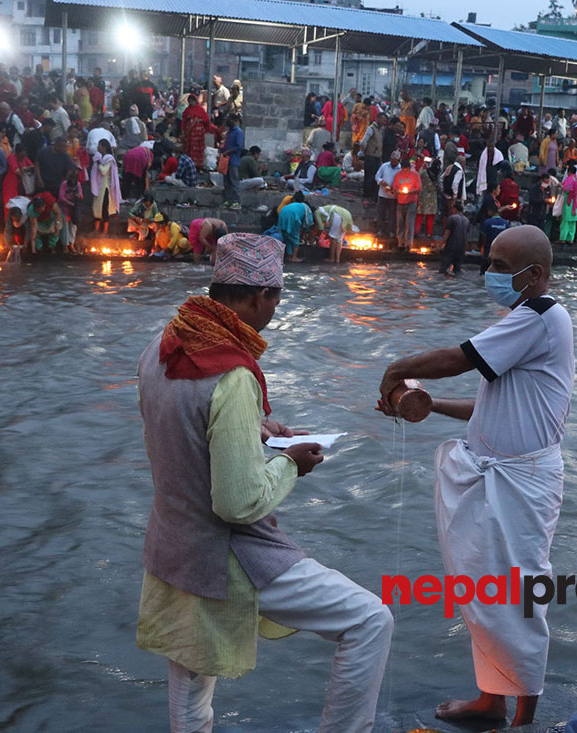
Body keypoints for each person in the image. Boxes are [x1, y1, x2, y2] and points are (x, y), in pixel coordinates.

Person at [136, 233, 392, 733]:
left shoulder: (164, 345)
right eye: (276, 297)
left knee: (190, 691)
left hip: (171, 541)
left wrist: (252, 430)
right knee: (370, 620)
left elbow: (180, 425)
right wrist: (292, 463)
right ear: (260, 297)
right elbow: (238, 503)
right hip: (226, 551)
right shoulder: (233, 376)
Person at [377, 225, 573, 728]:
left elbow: (458, 358)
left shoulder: (540, 316)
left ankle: (523, 716)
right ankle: (492, 698)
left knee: (516, 595)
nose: (491, 274)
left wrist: (396, 367)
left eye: (503, 267)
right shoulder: (521, 323)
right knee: (483, 593)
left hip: (520, 480)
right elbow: (488, 406)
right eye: (490, 263)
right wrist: (428, 403)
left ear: (538, 275)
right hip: (498, 474)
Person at [90, 138, 121, 234]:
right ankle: (96, 229)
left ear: (104, 147)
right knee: (96, 208)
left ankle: (105, 231)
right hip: (98, 187)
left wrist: (99, 161)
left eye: (99, 145)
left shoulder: (109, 159)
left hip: (105, 187)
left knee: (104, 208)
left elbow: (103, 171)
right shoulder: (98, 157)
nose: (98, 147)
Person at [393, 156, 421, 251]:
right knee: (399, 223)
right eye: (403, 169)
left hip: (411, 202)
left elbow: (419, 188)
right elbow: (395, 187)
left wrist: (409, 191)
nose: (405, 171)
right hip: (400, 202)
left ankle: (408, 244)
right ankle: (400, 243)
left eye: (407, 170)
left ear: (409, 168)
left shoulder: (415, 175)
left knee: (409, 223)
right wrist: (397, 190)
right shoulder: (398, 175)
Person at [277, 190, 312, 261]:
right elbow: (308, 221)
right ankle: (294, 257)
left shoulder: (290, 204)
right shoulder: (306, 207)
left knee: (287, 238)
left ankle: (290, 256)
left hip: (282, 213)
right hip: (293, 217)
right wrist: (306, 230)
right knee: (295, 238)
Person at [375, 150, 402, 241]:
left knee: (392, 215)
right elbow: (377, 176)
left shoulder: (400, 169)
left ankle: (391, 231)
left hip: (393, 196)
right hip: (382, 194)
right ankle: (380, 230)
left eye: (395, 161)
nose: (393, 162)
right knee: (381, 213)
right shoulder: (384, 166)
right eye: (392, 160)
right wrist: (381, 182)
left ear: (398, 160)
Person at [439, 199, 469, 275]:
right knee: (457, 270)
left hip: (451, 247)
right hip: (461, 248)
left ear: (454, 209)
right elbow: (466, 235)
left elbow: (447, 233)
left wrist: (440, 245)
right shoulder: (466, 220)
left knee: (443, 270)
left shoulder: (452, 218)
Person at [220, 114, 243, 209]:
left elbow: (239, 146)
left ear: (234, 120)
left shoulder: (238, 132)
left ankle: (236, 201)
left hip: (233, 161)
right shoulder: (229, 132)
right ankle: (227, 200)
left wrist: (227, 151)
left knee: (234, 182)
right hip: (226, 161)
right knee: (227, 182)